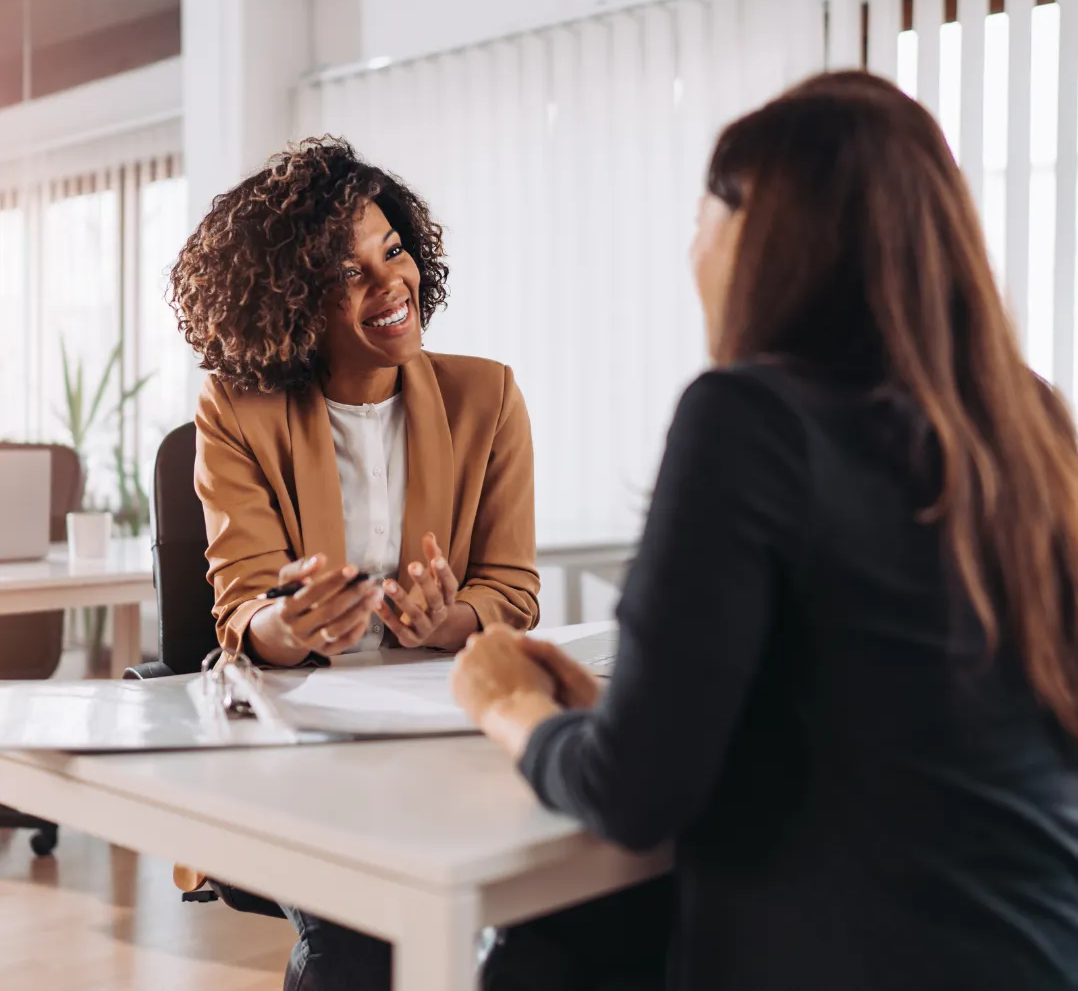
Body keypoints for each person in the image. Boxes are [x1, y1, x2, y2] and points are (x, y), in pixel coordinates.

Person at [452, 71, 1078, 991]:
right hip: (1042, 945)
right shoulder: (1026, 420)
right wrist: (625, 715)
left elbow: (633, 795)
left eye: (702, 212)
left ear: (758, 230)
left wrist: (507, 704)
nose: (690, 245)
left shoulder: (747, 417)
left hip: (867, 957)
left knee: (542, 958)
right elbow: (899, 717)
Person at [167, 137, 540, 990]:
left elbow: (512, 588)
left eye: (394, 251)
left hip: (442, 742)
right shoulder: (239, 410)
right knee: (361, 939)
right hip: (303, 752)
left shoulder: (488, 397)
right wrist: (289, 625)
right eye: (349, 271)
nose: (389, 286)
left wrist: (456, 619)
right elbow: (241, 612)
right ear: (292, 298)